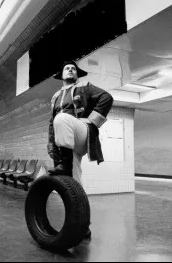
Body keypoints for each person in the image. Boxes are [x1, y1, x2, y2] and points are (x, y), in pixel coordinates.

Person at [47, 60, 114, 238]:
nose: (70, 70)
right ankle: (83, 224)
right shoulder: (54, 97)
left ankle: (65, 164)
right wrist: (50, 143)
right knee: (74, 184)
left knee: (61, 118)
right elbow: (50, 123)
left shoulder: (85, 86)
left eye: (73, 69)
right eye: (67, 68)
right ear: (61, 75)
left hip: (81, 132)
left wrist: (91, 120)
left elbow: (107, 97)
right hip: (65, 140)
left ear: (77, 75)